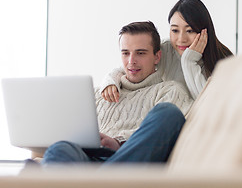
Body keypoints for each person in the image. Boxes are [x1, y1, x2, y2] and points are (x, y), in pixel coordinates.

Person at [41, 21, 193, 164]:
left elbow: (166, 135)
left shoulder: (169, 91)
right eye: (125, 53)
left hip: (128, 159)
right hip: (86, 162)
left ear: (157, 56)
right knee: (58, 149)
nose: (131, 61)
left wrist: (118, 142)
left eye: (140, 53)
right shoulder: (96, 94)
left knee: (168, 113)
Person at [101, 0, 233, 102]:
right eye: (175, 30)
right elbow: (128, 67)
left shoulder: (224, 62)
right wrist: (110, 83)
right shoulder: (166, 49)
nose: (181, 39)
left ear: (204, 31)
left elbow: (207, 106)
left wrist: (189, 62)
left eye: (190, 30)